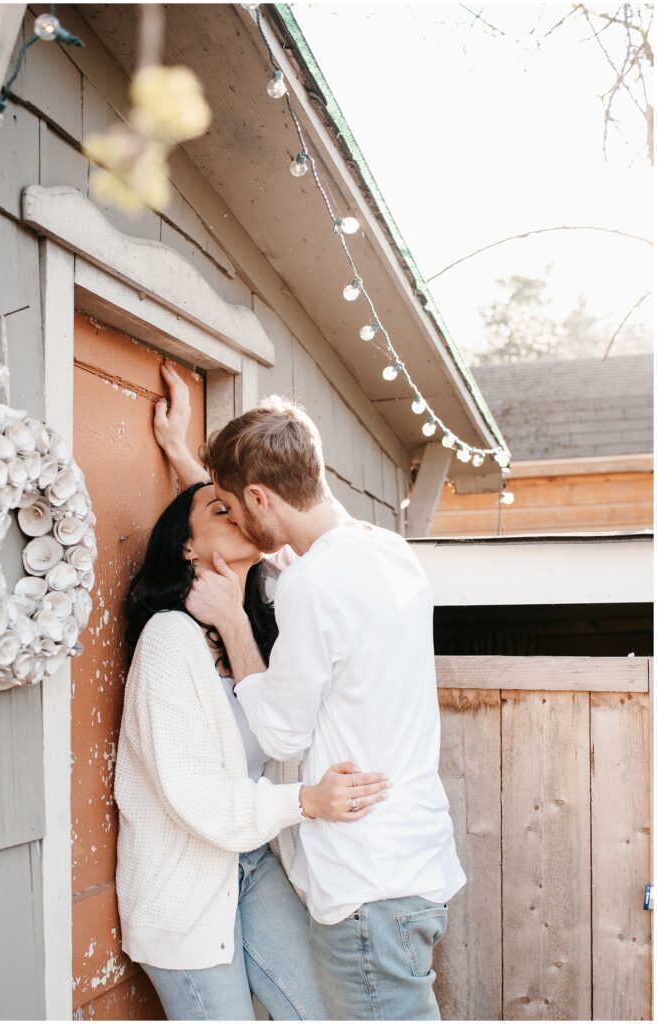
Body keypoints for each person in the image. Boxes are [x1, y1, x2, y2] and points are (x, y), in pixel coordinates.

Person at [156, 364, 467, 1021]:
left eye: (233, 504)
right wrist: (188, 458)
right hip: (416, 867)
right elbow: (284, 547)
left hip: (364, 882)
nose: (233, 518)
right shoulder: (384, 552)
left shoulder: (310, 588)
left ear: (261, 500)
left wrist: (236, 626)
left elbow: (281, 735)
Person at [114, 402, 390, 1020]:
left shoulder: (256, 632)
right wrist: (307, 802)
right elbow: (195, 796)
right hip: (184, 892)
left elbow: (288, 532)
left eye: (236, 501)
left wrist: (188, 457)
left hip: (253, 865)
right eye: (219, 508)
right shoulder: (167, 640)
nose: (235, 510)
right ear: (187, 547)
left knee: (322, 1012)